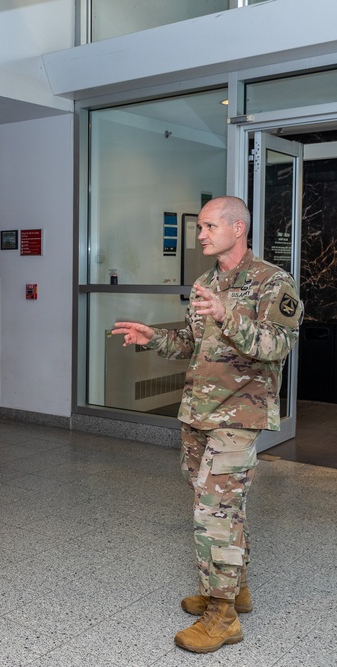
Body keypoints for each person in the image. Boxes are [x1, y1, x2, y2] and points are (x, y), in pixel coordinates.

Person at [112, 196, 303, 654]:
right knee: (220, 506)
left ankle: (222, 617)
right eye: (199, 226)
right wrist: (153, 338)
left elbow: (278, 344)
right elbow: (191, 345)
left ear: (238, 229)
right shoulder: (204, 282)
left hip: (240, 412)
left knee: (213, 514)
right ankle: (235, 588)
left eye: (209, 225)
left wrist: (227, 313)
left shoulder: (273, 282)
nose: (200, 234)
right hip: (199, 410)